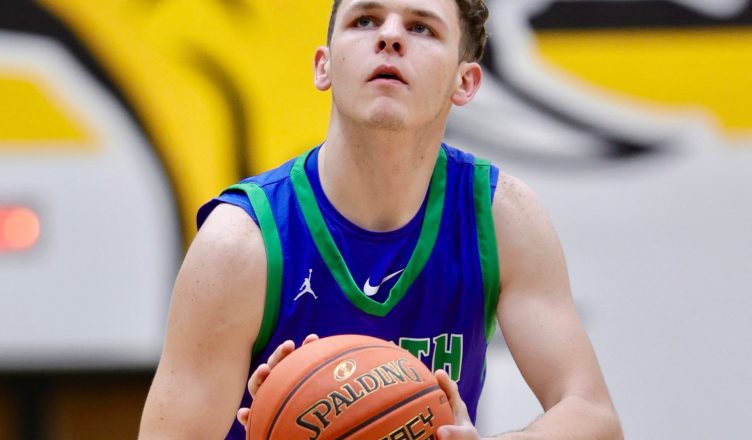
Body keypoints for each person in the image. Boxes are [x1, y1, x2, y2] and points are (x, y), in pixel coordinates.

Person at [139, 0, 623, 438]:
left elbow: (593, 416)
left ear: (465, 82)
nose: (390, 36)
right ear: (324, 65)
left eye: (421, 27)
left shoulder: (499, 217)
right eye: (365, 20)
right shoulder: (240, 242)